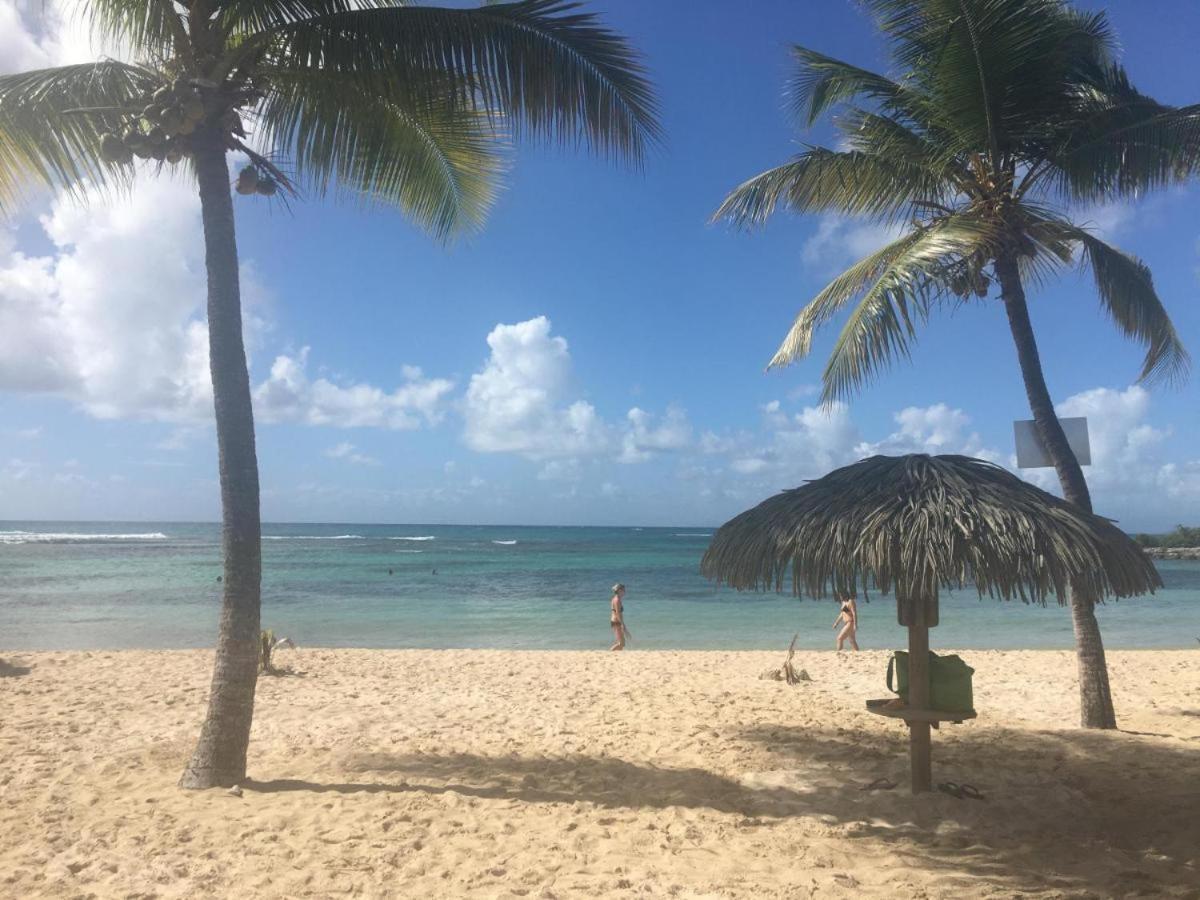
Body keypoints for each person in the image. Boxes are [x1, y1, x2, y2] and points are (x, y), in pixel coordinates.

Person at [609, 583, 631, 651]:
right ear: (619, 591)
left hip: (616, 621)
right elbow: (618, 613)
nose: (625, 591)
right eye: (623, 590)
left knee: (621, 643)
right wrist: (622, 625)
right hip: (616, 622)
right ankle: (609, 653)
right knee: (621, 643)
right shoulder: (617, 600)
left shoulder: (616, 599)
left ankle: (616, 655)